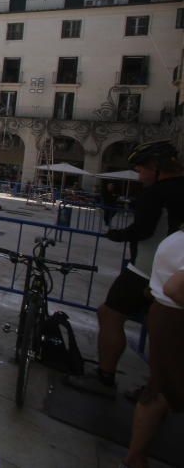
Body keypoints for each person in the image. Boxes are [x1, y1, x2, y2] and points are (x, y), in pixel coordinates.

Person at [68, 140, 184, 398]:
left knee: (109, 314)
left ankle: (105, 377)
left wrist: (117, 234)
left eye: (142, 169)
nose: (140, 175)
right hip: (177, 273)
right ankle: (158, 388)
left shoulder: (156, 193)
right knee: (163, 332)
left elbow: (143, 230)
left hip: (147, 269)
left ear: (156, 167)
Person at [122, 228, 184, 468]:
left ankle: (135, 457)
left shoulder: (176, 238)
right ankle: (135, 457)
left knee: (160, 389)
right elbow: (175, 289)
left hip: (164, 314)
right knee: (161, 389)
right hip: (174, 319)